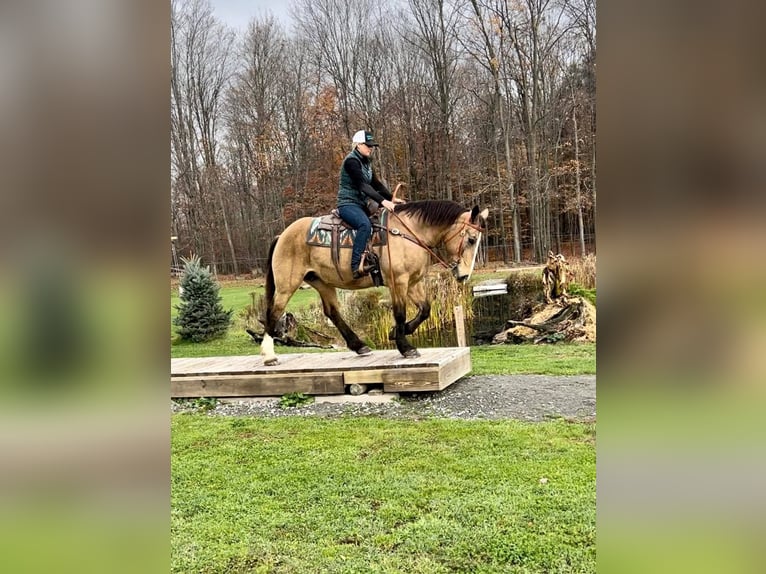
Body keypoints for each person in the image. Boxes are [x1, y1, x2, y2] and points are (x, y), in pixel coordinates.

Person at [336, 130, 405, 278]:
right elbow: (363, 186)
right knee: (364, 225)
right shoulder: (351, 162)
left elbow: (376, 184)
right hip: (348, 204)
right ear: (358, 145)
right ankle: (355, 266)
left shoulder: (367, 162)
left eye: (372, 146)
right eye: (368, 145)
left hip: (361, 204)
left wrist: (391, 198)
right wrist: (383, 201)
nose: (370, 148)